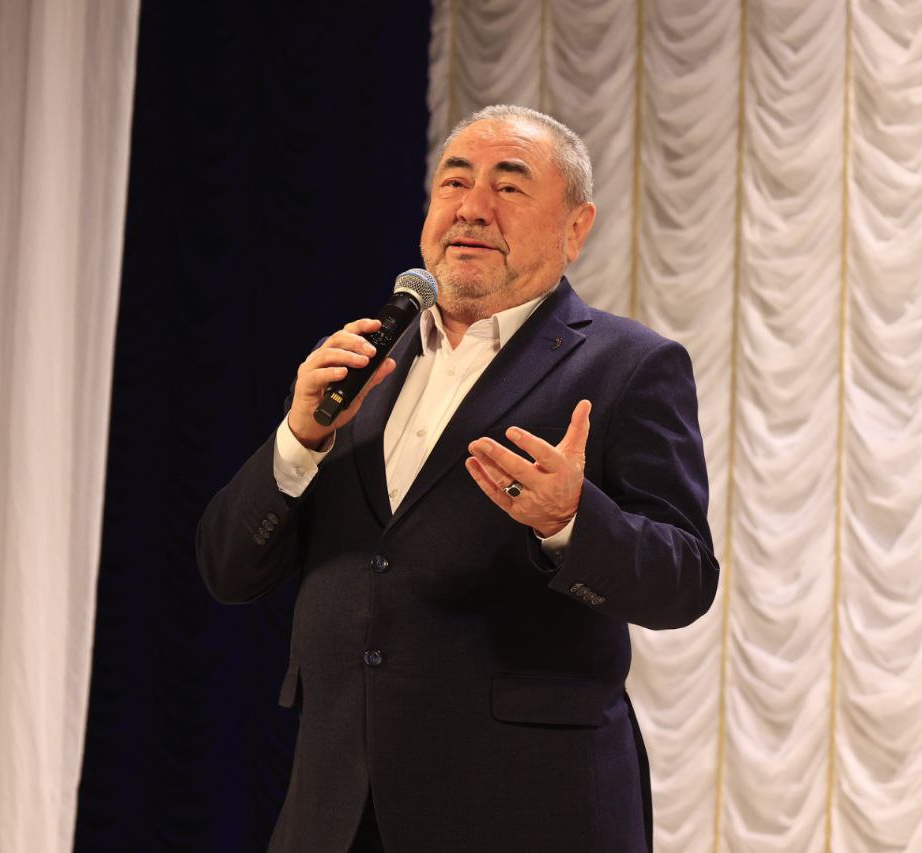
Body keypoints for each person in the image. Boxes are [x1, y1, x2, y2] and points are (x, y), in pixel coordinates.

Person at [196, 104, 718, 852]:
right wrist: (297, 442)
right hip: (335, 811)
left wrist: (570, 521)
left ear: (575, 228)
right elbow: (227, 569)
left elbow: (684, 580)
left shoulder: (629, 366)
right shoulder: (359, 364)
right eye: (454, 182)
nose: (472, 208)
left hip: (524, 810)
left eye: (509, 186)